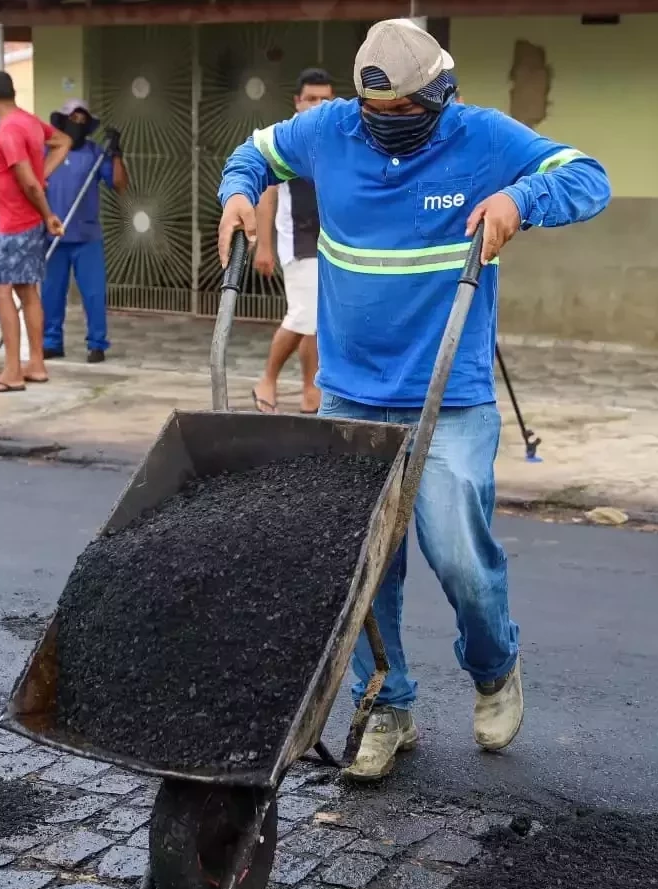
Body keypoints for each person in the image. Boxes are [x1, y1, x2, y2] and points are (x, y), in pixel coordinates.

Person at [217, 18, 611, 782]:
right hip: (351, 395)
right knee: (363, 567)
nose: (391, 129)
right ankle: (385, 701)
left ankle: (494, 666)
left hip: (448, 395)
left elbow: (588, 175)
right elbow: (252, 154)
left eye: (408, 115)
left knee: (459, 555)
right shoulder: (328, 128)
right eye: (378, 117)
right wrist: (239, 195)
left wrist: (520, 200)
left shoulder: (483, 136)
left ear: (442, 96)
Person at [0, 71, 70, 394]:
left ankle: (13, 371)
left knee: (0, 292)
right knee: (27, 291)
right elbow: (63, 141)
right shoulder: (29, 121)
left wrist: (48, 213)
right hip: (26, 220)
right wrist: (43, 176)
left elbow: (28, 181)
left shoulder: (9, 130)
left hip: (16, 224)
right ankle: (37, 364)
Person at [251, 68, 334, 414]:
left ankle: (310, 389)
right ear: (297, 102)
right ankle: (267, 379)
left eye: (324, 100)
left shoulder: (335, 138)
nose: (317, 105)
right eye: (311, 99)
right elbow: (267, 194)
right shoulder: (284, 139)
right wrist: (264, 244)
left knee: (317, 321)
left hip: (331, 241)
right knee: (303, 315)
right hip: (297, 241)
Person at [40, 100, 126, 364]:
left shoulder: (95, 153)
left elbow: (120, 185)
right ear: (62, 122)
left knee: (94, 293)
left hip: (86, 237)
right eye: (72, 119)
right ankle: (51, 342)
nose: (76, 125)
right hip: (53, 236)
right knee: (51, 293)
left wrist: (116, 153)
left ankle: (97, 344)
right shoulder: (46, 152)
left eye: (82, 121)